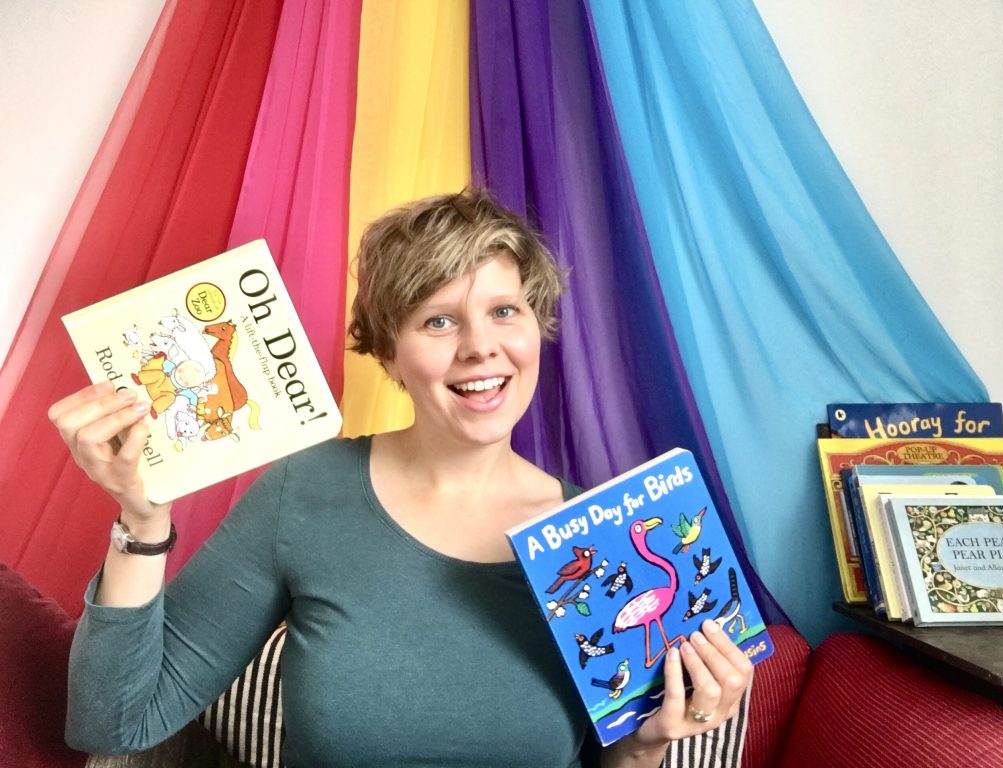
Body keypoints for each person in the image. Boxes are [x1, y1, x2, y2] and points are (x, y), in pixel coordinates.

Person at [51, 188, 752, 767]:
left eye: (505, 311)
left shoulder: (604, 541)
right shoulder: (307, 490)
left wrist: (643, 748)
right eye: (438, 320)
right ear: (388, 355)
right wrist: (141, 522)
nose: (481, 347)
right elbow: (115, 724)